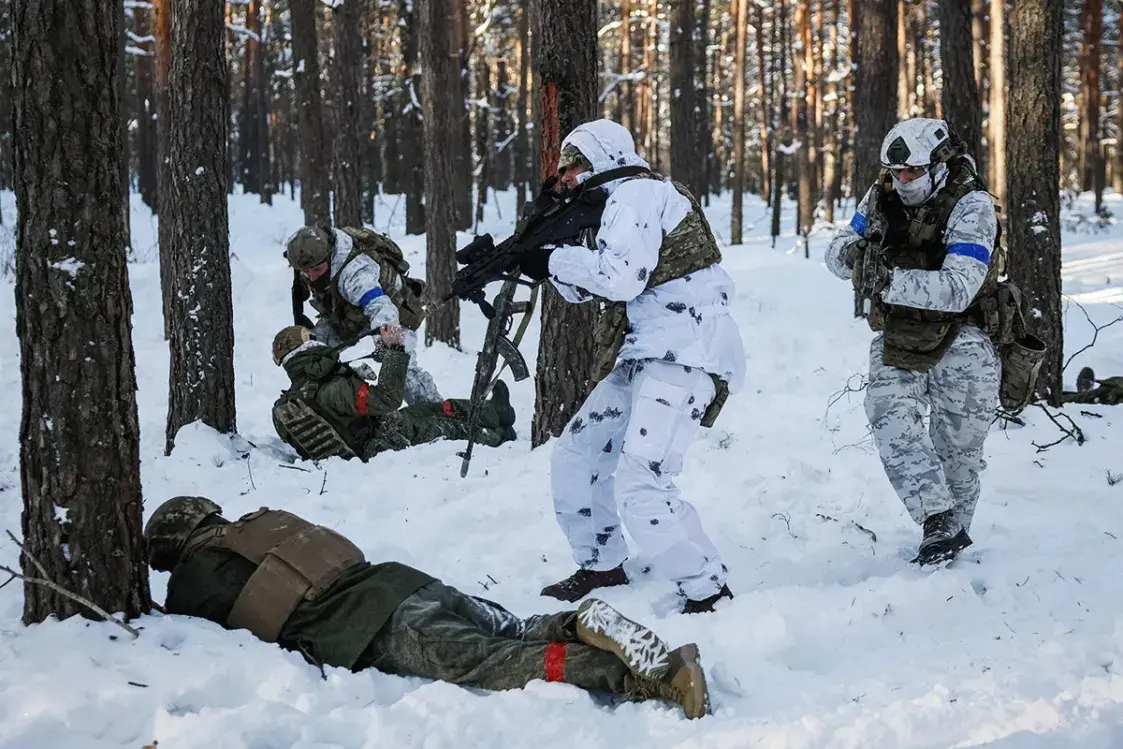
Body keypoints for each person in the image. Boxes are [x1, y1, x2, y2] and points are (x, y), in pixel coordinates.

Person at [144, 496, 711, 719]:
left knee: (494, 663)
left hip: (376, 626)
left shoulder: (197, 573)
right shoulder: (263, 523)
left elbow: (194, 632)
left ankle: (635, 678)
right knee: (513, 628)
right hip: (405, 583)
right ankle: (579, 621)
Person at [515, 119, 747, 614]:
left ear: (602, 159)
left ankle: (708, 589)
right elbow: (590, 286)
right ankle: (602, 564)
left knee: (642, 481)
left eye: (577, 165)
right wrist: (542, 260)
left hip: (685, 353)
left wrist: (552, 261)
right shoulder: (616, 207)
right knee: (576, 456)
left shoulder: (638, 194)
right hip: (642, 353)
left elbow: (619, 279)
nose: (570, 177)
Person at [825, 117, 1002, 565]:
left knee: (957, 451)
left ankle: (950, 545)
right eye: (895, 171)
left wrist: (886, 281)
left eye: (913, 171)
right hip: (902, 333)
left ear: (939, 164)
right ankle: (936, 519)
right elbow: (839, 249)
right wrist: (853, 257)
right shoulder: (880, 194)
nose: (902, 180)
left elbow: (960, 286)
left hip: (966, 333)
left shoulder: (972, 204)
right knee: (888, 414)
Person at [271, 324, 516, 462]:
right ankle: (499, 436)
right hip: (383, 440)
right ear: (310, 348)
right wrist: (396, 352)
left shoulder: (290, 401)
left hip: (374, 433)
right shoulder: (333, 388)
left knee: (430, 409)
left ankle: (494, 412)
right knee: (445, 426)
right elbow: (386, 399)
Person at [285, 224, 442, 406]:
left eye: (317, 270)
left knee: (402, 371)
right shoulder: (309, 254)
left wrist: (391, 344)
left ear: (329, 257)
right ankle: (317, 404)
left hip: (394, 315)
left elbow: (379, 305)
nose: (311, 277)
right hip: (347, 316)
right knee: (312, 354)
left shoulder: (355, 275)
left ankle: (438, 413)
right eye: (307, 272)